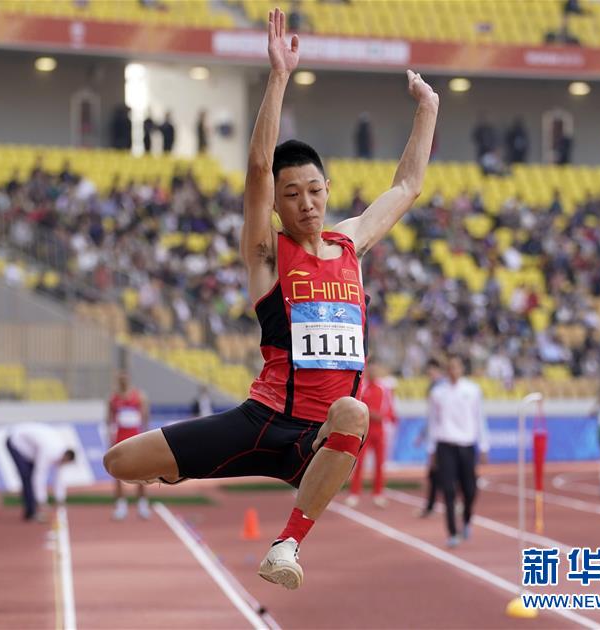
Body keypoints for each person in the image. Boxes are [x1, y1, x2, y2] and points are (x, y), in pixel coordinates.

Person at [103, 8, 438, 590]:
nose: (306, 202)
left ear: (328, 190)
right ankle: (190, 469)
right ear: (279, 205)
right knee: (120, 462)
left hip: (315, 439)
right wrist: (279, 76)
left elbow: (407, 186)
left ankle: (287, 544)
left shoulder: (351, 244)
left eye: (314, 190)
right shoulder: (267, 254)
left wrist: (428, 108)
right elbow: (259, 167)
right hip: (260, 421)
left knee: (355, 412)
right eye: (292, 194)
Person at [427, 355, 489, 547]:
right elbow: (432, 422)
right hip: (445, 445)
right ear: (447, 370)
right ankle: (452, 532)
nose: (453, 371)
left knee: (470, 490)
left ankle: (467, 519)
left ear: (462, 369)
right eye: (450, 367)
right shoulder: (438, 393)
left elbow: (479, 418)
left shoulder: (473, 390)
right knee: (448, 490)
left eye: (456, 367)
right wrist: (431, 449)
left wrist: (484, 445)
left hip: (467, 444)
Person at [346, 359, 397, 507]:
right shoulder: (362, 387)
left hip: (379, 431)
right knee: (359, 463)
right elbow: (356, 407)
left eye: (376, 369)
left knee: (379, 464)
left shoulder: (384, 388)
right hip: (364, 430)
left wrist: (382, 416)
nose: (373, 372)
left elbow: (389, 409)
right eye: (371, 369)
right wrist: (369, 414)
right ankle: (354, 493)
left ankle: (378, 494)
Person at [5, 422, 76, 522]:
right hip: (15, 440)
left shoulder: (60, 451)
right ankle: (31, 512)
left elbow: (59, 478)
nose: (63, 465)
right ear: (66, 457)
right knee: (27, 476)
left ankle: (31, 508)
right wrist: (42, 501)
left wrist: (60, 499)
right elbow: (39, 475)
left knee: (30, 477)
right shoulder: (49, 451)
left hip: (30, 446)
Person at [107, 371, 151, 520]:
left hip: (136, 437)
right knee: (118, 473)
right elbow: (109, 420)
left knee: (141, 472)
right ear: (118, 381)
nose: (123, 382)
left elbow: (145, 418)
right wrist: (110, 438)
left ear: (129, 380)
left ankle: (142, 504)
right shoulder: (113, 398)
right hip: (120, 437)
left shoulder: (139, 396)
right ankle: (121, 505)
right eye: (121, 380)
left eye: (125, 379)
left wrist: (147, 437)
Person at [417, 357, 443, 517]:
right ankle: (431, 505)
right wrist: (423, 434)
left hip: (444, 435)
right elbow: (431, 416)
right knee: (435, 471)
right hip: (436, 434)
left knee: (441, 471)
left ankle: (432, 506)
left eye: (431, 370)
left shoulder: (442, 387)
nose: (429, 373)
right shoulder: (433, 386)